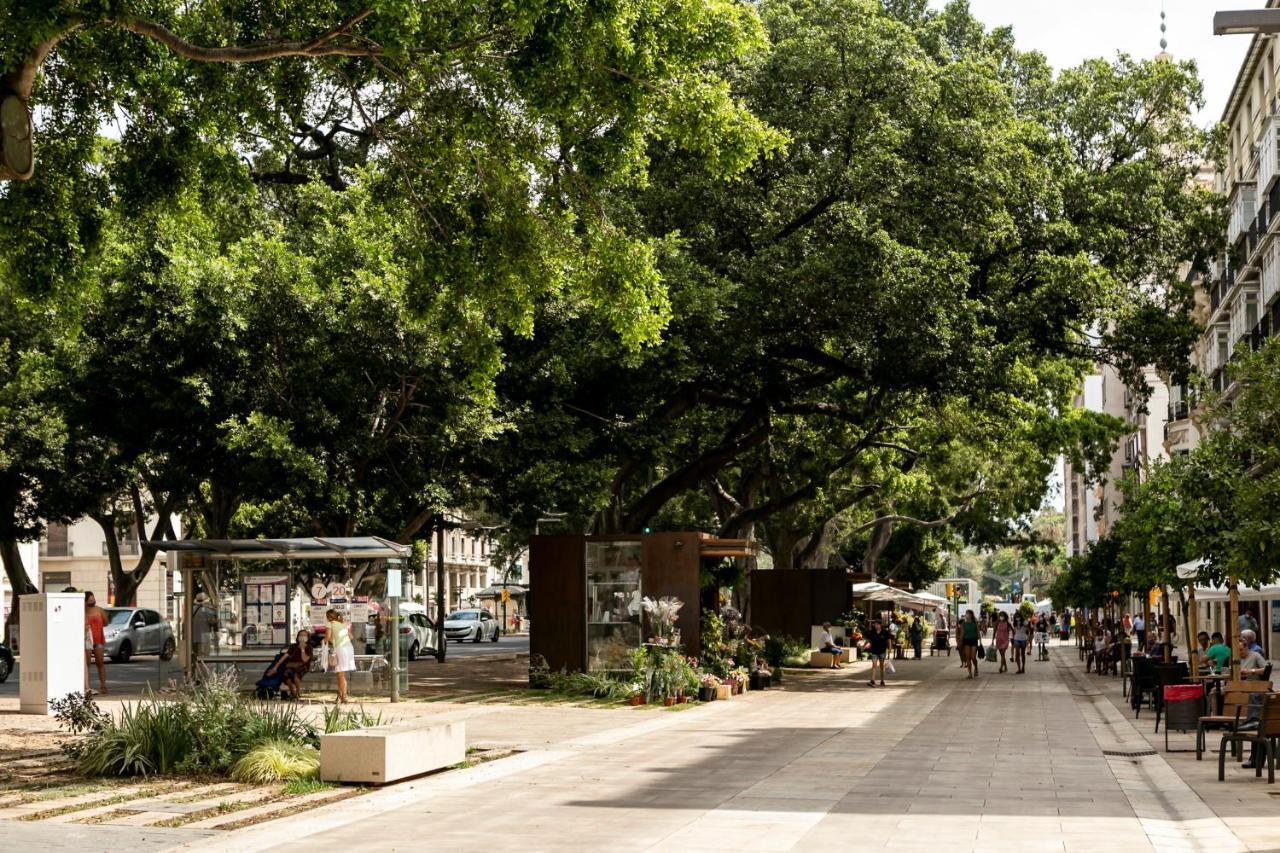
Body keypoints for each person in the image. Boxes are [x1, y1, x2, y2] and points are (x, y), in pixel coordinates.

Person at [325, 608, 356, 702]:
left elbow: (328, 637)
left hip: (340, 649)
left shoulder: (329, 624)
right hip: (349, 648)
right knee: (341, 673)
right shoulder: (342, 624)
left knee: (340, 673)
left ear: (329, 617)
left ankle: (343, 696)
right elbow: (351, 636)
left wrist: (325, 640)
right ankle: (341, 694)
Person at [83, 590, 108, 696]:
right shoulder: (82, 611)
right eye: (90, 599)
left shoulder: (99, 610)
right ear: (85, 601)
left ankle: (103, 685)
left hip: (98, 639)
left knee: (100, 662)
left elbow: (106, 622)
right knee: (86, 663)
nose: (92, 600)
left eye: (93, 598)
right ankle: (86, 686)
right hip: (87, 639)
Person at [280, 629, 313, 699]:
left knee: (296, 675)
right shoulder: (293, 646)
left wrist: (302, 649)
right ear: (298, 637)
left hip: (303, 665)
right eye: (301, 635)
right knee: (287, 675)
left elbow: (305, 660)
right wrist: (275, 667)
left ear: (308, 637)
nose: (302, 637)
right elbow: (285, 656)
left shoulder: (309, 647)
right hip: (292, 665)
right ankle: (293, 693)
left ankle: (298, 692)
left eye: (304, 635)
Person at [866, 618, 891, 687]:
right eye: (875, 624)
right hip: (874, 650)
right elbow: (869, 640)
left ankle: (882, 680)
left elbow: (889, 640)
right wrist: (867, 644)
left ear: (880, 625)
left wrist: (890, 648)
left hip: (882, 651)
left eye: (877, 624)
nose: (876, 626)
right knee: (874, 665)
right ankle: (872, 680)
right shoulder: (872, 632)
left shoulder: (885, 632)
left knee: (881, 666)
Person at [960, 609, 980, 679]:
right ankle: (970, 673)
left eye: (968, 613)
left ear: (971, 615)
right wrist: (960, 641)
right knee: (968, 658)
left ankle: (976, 668)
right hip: (966, 641)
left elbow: (978, 633)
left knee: (973, 657)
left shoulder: (975, 623)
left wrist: (980, 642)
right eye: (966, 613)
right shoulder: (963, 624)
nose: (967, 615)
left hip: (974, 640)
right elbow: (962, 633)